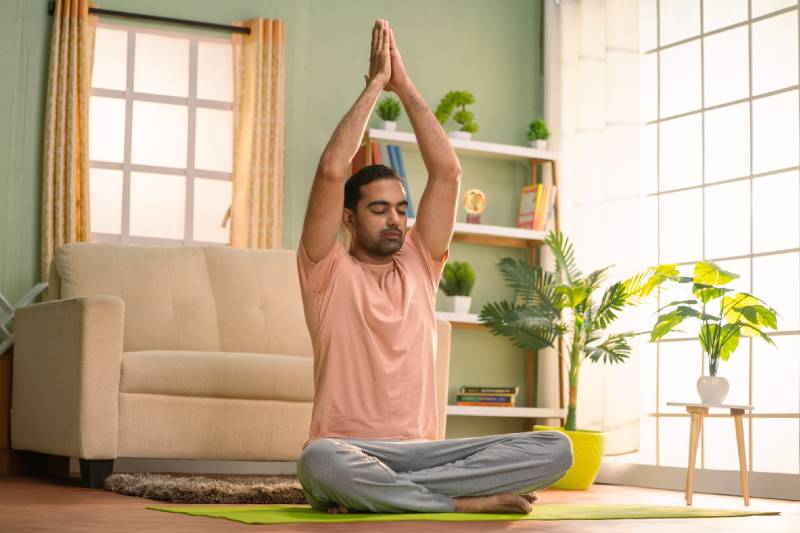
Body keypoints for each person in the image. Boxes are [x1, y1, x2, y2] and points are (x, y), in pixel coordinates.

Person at [295, 18, 573, 515]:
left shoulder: (420, 264)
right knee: (319, 463)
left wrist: (404, 85)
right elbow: (332, 170)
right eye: (378, 209)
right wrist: (376, 87)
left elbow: (448, 172)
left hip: (425, 453)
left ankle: (400, 498)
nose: (395, 220)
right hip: (350, 451)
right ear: (348, 218)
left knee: (556, 449)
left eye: (401, 208)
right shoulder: (326, 271)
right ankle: (461, 504)